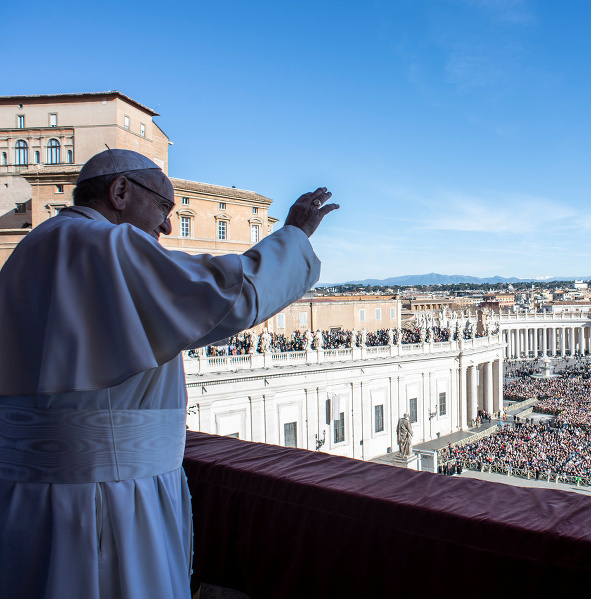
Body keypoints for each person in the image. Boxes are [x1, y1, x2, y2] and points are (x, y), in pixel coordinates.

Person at [0, 149, 338, 598]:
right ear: (120, 191)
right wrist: (293, 236)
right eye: (164, 208)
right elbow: (230, 296)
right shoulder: (106, 245)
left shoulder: (28, 251)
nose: (164, 227)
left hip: (25, 496)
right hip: (106, 501)